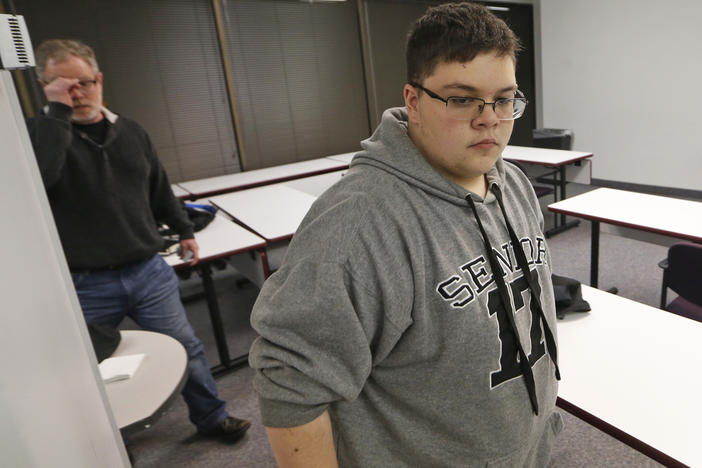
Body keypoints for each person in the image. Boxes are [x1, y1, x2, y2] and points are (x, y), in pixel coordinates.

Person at [248, 3, 561, 467]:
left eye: (504, 98)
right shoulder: (359, 224)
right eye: (461, 99)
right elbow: (291, 384)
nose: (489, 118)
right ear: (413, 102)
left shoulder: (510, 180)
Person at [27, 39, 250, 442]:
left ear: (99, 79)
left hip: (147, 270)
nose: (76, 94)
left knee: (187, 348)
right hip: (83, 283)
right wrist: (56, 113)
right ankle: (105, 443)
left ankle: (212, 418)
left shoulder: (129, 131)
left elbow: (158, 188)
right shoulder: (35, 138)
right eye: (61, 87)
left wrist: (183, 229)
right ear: (43, 86)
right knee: (90, 370)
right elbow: (39, 180)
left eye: (82, 83)